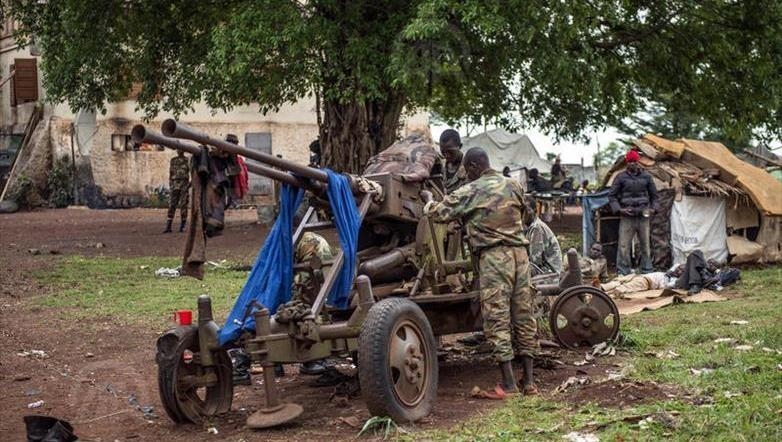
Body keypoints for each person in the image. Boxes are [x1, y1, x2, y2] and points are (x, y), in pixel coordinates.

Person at [422, 147, 538, 396]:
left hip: (494, 258)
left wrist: (426, 201)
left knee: (497, 317)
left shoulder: (471, 190)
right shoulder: (513, 185)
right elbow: (527, 214)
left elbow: (439, 213)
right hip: (520, 255)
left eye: (467, 170)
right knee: (524, 314)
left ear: (474, 166)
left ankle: (508, 383)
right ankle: (529, 381)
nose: (466, 175)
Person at [609, 149, 658, 275]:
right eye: (630, 162)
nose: (632, 164)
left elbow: (655, 196)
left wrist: (653, 209)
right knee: (624, 245)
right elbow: (612, 196)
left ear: (638, 162)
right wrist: (620, 209)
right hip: (627, 216)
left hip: (643, 215)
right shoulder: (620, 177)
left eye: (634, 162)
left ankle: (646, 270)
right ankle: (623, 271)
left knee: (645, 245)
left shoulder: (646, 176)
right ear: (627, 163)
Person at [523, 199, 563, 276]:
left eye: (527, 210)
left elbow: (535, 260)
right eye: (522, 210)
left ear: (535, 211)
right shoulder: (530, 227)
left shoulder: (537, 227)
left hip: (550, 271)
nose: (524, 214)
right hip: (545, 268)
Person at [164, 150, 190, 233]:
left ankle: (182, 226)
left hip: (184, 184)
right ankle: (168, 227)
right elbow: (170, 173)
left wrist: (190, 184)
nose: (179, 151)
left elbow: (192, 172)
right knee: (172, 204)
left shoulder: (187, 161)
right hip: (174, 184)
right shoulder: (173, 160)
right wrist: (171, 184)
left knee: (183, 205)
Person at [439, 129, 467, 193]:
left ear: (460, 146)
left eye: (450, 151)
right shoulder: (439, 166)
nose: (446, 155)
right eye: (443, 151)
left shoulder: (470, 167)